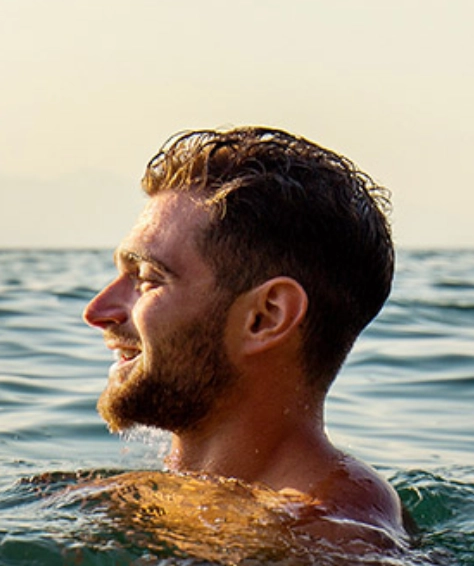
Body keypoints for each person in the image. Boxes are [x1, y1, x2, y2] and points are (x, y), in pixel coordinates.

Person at [83, 126, 403, 539]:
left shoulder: (331, 536)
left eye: (146, 278)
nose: (97, 311)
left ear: (266, 317)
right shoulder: (183, 498)